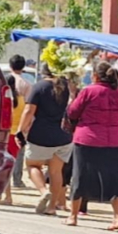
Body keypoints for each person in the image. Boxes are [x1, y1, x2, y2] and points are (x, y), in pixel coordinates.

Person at [65, 62, 118, 229]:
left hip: (87, 139)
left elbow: (73, 112)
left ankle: (73, 216)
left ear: (95, 76)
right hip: (115, 141)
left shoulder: (88, 91)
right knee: (116, 180)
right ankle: (117, 218)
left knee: (80, 177)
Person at [19, 64, 73, 216]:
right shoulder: (66, 87)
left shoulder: (39, 87)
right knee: (56, 171)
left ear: (43, 72)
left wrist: (21, 130)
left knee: (32, 165)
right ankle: (52, 207)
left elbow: (29, 111)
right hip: (63, 136)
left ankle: (43, 191)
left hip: (41, 134)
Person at [8, 54, 34, 190]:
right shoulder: (27, 84)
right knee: (18, 154)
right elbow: (29, 107)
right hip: (20, 123)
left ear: (10, 65)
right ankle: (17, 180)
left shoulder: (5, 80)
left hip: (7, 123)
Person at [0, 74, 23, 206]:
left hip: (5, 135)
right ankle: (5, 194)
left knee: (2, 166)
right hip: (16, 136)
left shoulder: (4, 98)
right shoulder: (21, 99)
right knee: (10, 167)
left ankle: (7, 195)